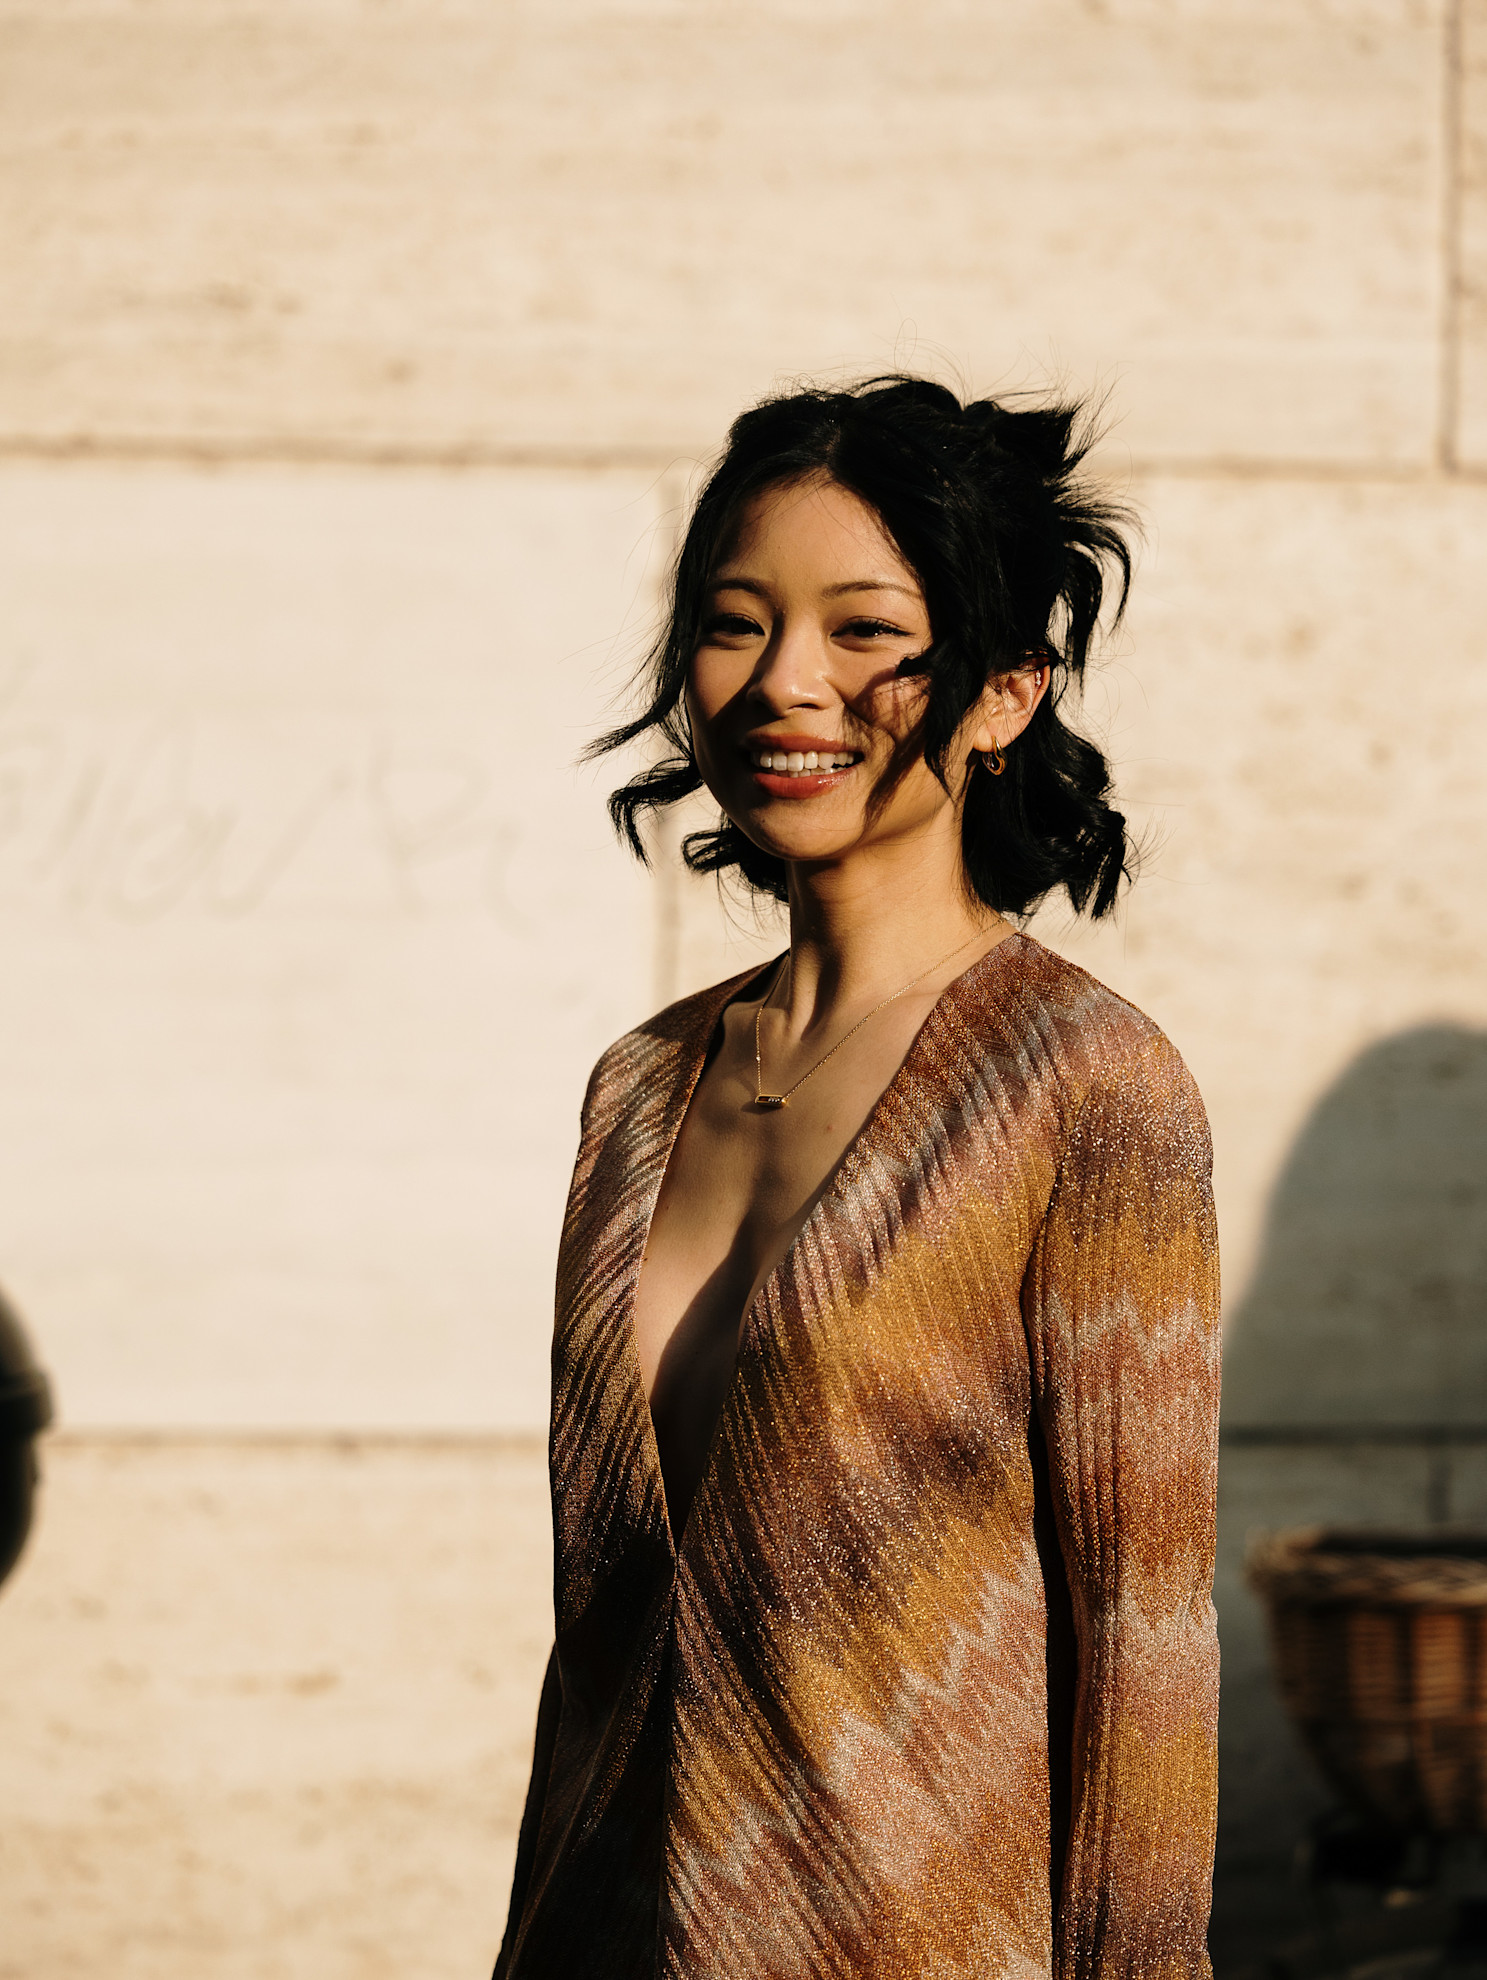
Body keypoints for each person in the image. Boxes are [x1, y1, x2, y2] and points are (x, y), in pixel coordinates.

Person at [494, 376, 1220, 1980]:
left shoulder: (1087, 1087)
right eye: (734, 624)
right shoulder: (639, 1090)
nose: (785, 682)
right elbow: (595, 1648)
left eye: (865, 631)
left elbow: (1145, 1643)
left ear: (1005, 694)